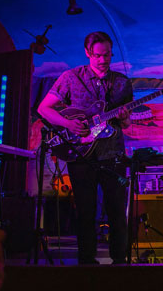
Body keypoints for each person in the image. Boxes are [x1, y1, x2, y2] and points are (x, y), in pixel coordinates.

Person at [38, 32, 132, 265]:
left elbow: (126, 124)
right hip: (81, 154)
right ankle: (86, 262)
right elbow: (44, 109)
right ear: (88, 53)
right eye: (98, 55)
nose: (103, 60)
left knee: (117, 211)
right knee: (85, 211)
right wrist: (68, 124)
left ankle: (120, 262)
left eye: (107, 55)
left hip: (113, 154)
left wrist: (124, 118)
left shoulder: (122, 82)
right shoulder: (71, 78)